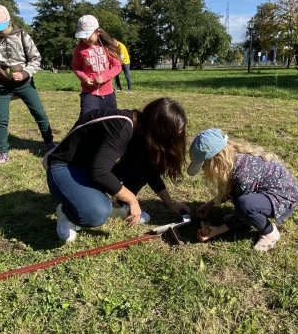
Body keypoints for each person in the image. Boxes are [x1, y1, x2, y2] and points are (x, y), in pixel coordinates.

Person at [45, 98, 191, 243]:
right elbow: (100, 173)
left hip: (91, 169)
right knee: (96, 213)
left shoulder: (141, 129)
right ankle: (66, 212)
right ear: (158, 128)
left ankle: (118, 207)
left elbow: (150, 171)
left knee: (145, 165)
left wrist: (171, 203)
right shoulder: (122, 127)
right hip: (65, 167)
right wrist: (132, 200)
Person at [189, 129, 298, 252]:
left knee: (244, 205)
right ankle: (251, 217)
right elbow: (231, 190)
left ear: (216, 161)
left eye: (205, 165)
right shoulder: (233, 161)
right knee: (241, 201)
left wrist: (218, 230)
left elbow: (242, 208)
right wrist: (210, 204)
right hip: (268, 191)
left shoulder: (243, 173)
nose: (204, 170)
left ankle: (270, 232)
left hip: (284, 198)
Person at [0, 4, 55, 165]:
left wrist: (25, 73)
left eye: (0, 27)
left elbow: (36, 59)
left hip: (24, 83)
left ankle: (50, 144)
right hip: (1, 84)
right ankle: (2, 151)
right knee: (1, 119)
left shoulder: (22, 35)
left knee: (39, 114)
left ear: (9, 21)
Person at [72, 14, 122, 116]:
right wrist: (85, 79)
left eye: (88, 35)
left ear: (97, 32)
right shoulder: (79, 49)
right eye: (83, 36)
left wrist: (104, 77)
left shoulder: (107, 47)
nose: (86, 38)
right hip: (89, 93)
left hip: (108, 93)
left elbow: (117, 66)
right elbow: (76, 67)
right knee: (87, 120)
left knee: (111, 120)